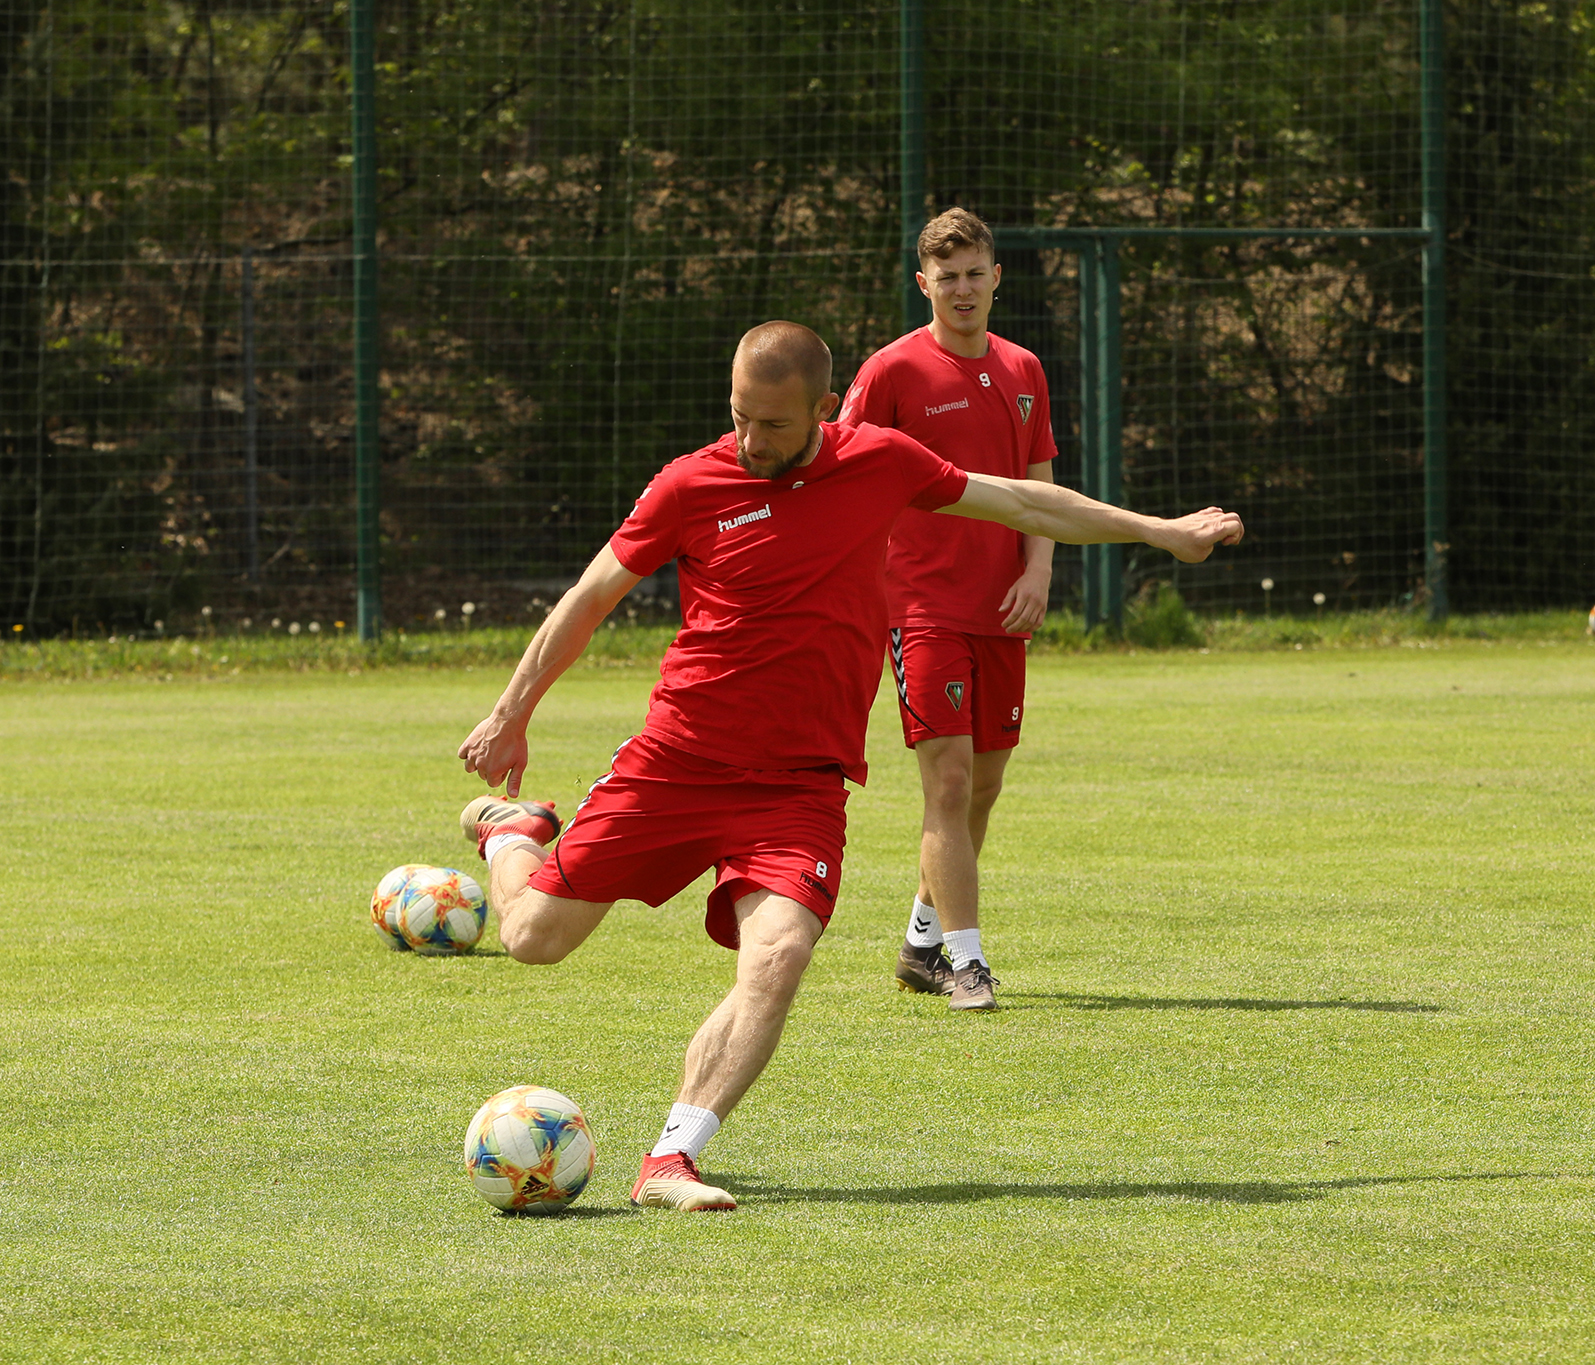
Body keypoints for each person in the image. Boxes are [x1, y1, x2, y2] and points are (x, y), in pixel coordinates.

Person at [455, 321, 1243, 1212]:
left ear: (826, 409)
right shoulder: (690, 483)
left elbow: (1025, 502)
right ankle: (514, 835)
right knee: (532, 938)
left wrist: (1161, 531)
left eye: (774, 425)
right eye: (739, 416)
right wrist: (510, 713)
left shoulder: (882, 462)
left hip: (800, 785)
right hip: (679, 761)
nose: (751, 440)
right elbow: (589, 596)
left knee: (780, 952)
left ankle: (671, 1158)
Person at [839, 207, 1053, 1012]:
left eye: (973, 274)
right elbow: (839, 473)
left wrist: (1039, 570)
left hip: (1002, 607)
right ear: (922, 284)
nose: (962, 290)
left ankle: (921, 943)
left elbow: (1038, 486)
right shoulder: (890, 371)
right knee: (951, 782)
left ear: (997, 278)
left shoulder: (1024, 368)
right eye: (946, 277)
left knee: (983, 786)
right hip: (919, 606)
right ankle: (967, 963)